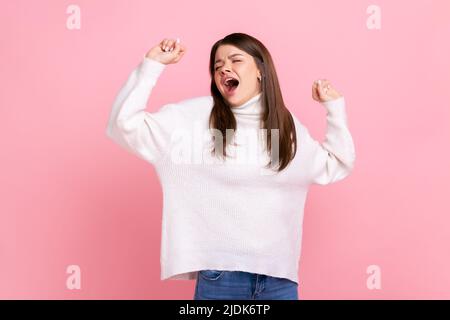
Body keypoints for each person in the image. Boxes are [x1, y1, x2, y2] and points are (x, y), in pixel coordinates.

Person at [106, 33, 356, 300]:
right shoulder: (194, 119)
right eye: (217, 66)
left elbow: (336, 163)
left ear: (261, 71)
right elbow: (124, 124)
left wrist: (334, 109)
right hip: (221, 279)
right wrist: (151, 65)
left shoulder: (285, 127)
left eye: (236, 60)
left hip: (280, 279)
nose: (224, 68)